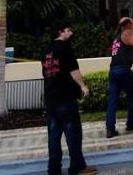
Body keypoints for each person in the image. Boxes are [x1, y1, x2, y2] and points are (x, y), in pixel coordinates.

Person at [42, 21, 97, 175]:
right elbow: (73, 71)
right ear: (60, 32)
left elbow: (46, 73)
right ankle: (78, 167)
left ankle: (53, 169)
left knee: (53, 137)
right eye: (68, 30)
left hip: (51, 98)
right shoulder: (65, 48)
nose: (71, 33)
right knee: (73, 135)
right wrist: (83, 86)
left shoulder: (46, 50)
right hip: (66, 97)